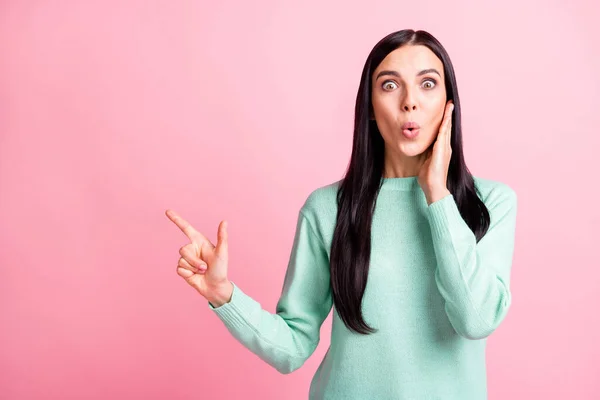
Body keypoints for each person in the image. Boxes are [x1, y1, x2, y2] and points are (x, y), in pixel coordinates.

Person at [165, 28, 518, 400]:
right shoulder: (327, 209)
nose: (410, 102)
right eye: (390, 85)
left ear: (449, 102)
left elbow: (476, 320)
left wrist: (437, 195)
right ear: (369, 105)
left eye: (428, 84)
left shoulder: (489, 203)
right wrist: (223, 295)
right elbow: (293, 346)